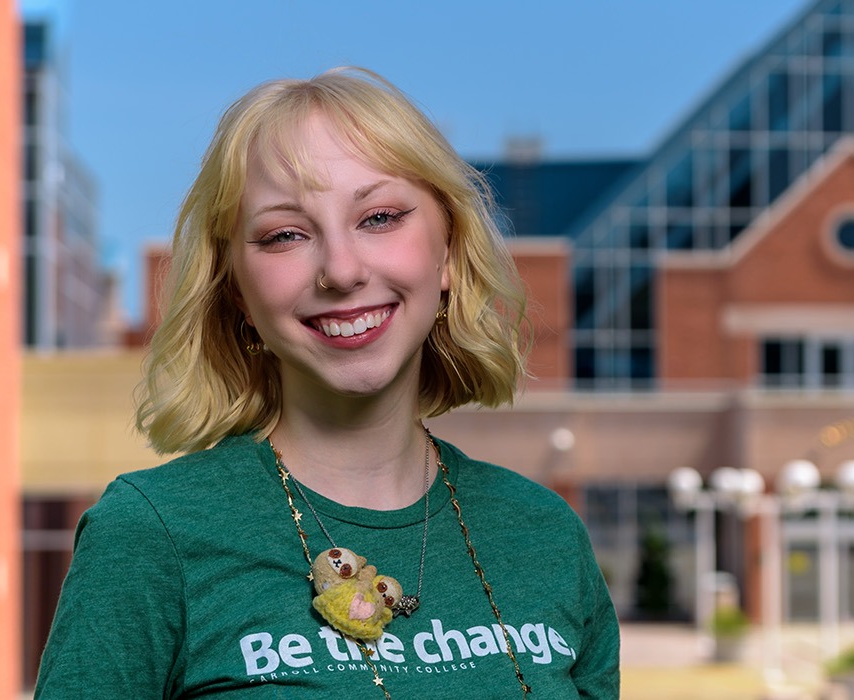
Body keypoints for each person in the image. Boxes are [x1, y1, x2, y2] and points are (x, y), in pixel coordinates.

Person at [35, 67, 620, 699]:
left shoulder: (545, 535)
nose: (341, 270)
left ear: (446, 252)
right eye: (285, 234)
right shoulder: (150, 535)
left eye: (379, 217)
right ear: (236, 290)